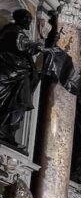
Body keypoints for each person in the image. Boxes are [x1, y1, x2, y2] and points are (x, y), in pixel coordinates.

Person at [0, 9, 43, 147]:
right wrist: (37, 46)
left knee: (20, 104)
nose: (29, 22)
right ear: (20, 19)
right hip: (10, 74)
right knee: (8, 103)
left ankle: (8, 133)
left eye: (30, 19)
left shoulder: (17, 33)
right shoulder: (11, 31)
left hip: (21, 76)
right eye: (27, 19)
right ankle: (3, 130)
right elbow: (21, 44)